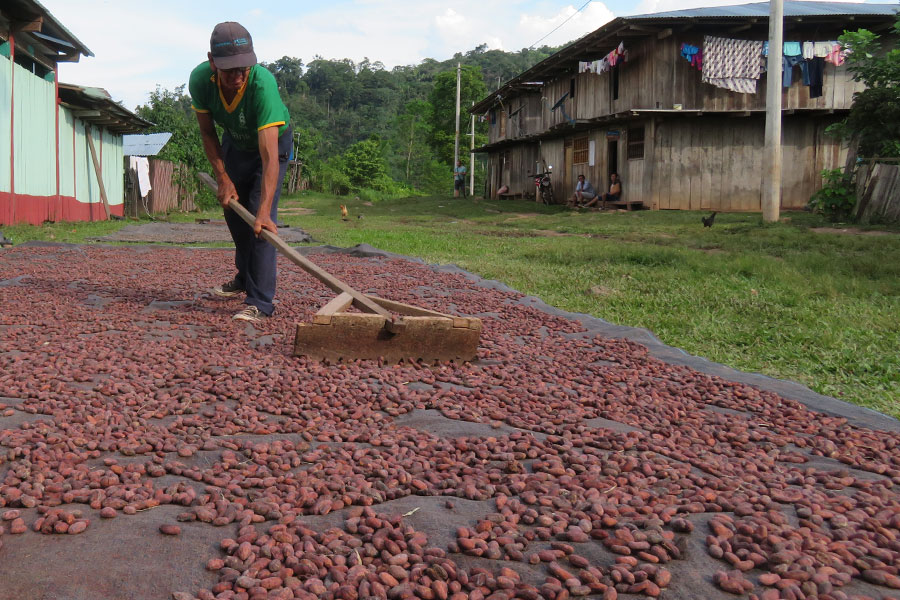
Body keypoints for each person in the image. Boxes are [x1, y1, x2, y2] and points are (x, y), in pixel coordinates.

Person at [189, 22, 292, 323]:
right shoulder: (200, 81)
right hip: (235, 141)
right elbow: (208, 134)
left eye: (242, 69)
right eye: (228, 71)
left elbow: (270, 156)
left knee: (261, 224)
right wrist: (223, 177)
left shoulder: (263, 85)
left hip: (271, 146)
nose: (237, 77)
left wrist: (263, 211)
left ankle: (260, 302)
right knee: (234, 212)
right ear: (212, 62)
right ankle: (245, 278)